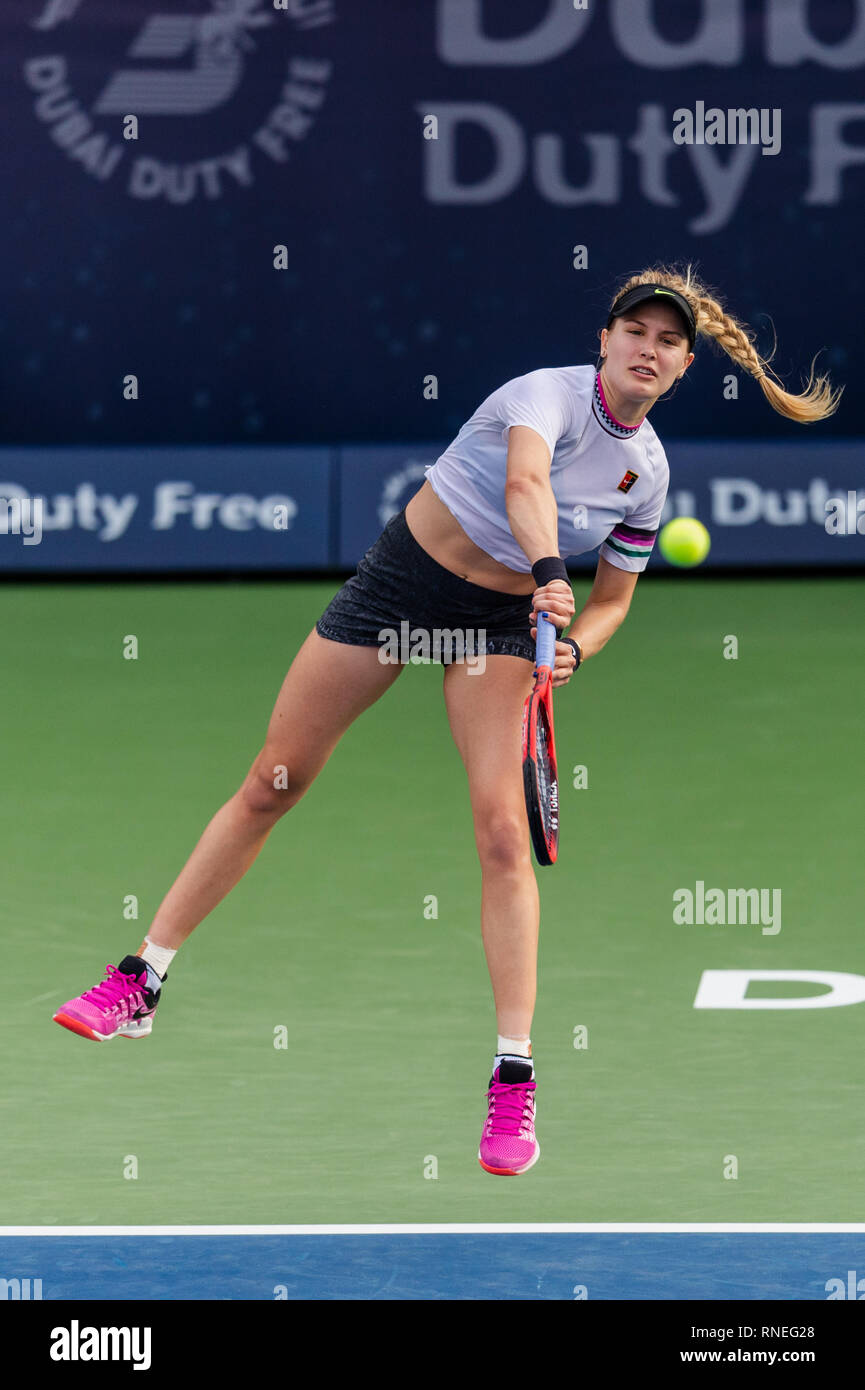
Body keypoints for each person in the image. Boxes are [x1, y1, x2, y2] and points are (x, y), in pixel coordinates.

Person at [53, 263, 842, 1177]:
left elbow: (615, 601)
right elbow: (523, 489)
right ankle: (143, 977)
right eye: (635, 331)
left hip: (497, 629)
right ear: (605, 339)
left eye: (669, 341)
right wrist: (553, 570)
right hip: (400, 586)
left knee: (502, 835)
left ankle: (514, 1076)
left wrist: (576, 644)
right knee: (275, 781)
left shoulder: (646, 477)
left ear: (681, 367)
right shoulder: (537, 396)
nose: (647, 348)